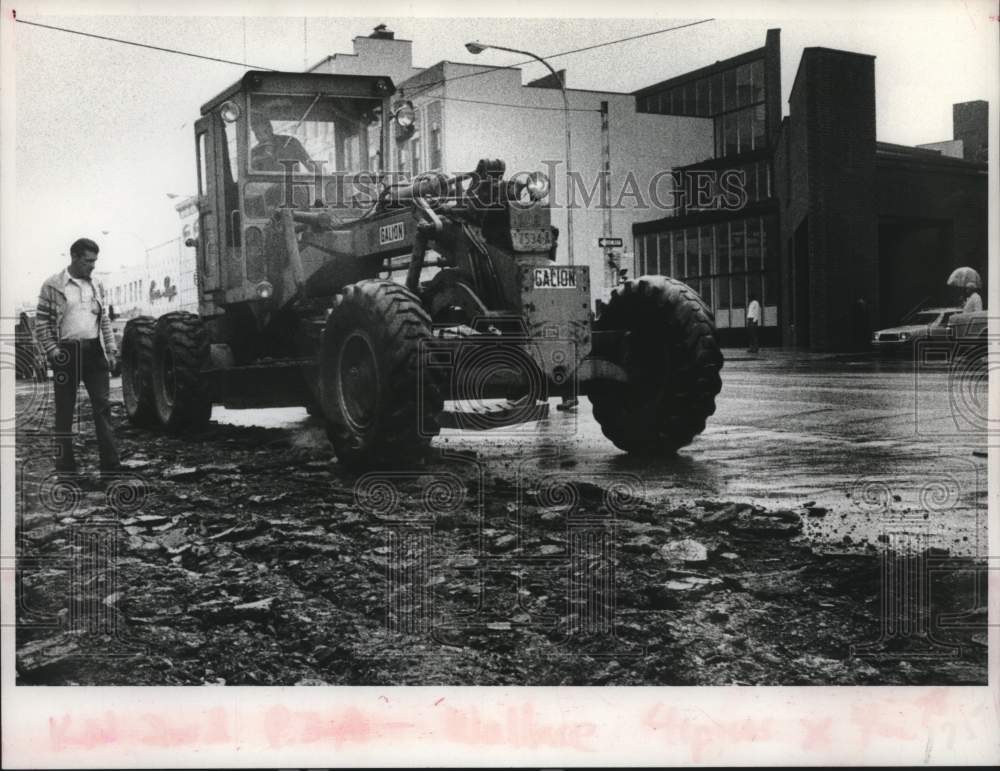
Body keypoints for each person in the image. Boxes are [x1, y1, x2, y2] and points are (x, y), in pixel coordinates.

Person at [35, 238, 120, 475]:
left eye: (95, 261)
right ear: (74, 257)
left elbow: (103, 320)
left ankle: (111, 468)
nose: (92, 265)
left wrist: (111, 350)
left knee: (102, 409)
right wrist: (53, 351)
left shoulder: (97, 285)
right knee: (64, 412)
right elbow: (41, 323)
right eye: (88, 260)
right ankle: (66, 470)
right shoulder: (52, 286)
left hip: (95, 352)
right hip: (66, 354)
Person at [249, 111, 315, 173]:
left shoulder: (291, 143)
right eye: (257, 134)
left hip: (291, 184)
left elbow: (312, 167)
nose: (262, 137)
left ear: (271, 128)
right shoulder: (254, 152)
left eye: (265, 131)